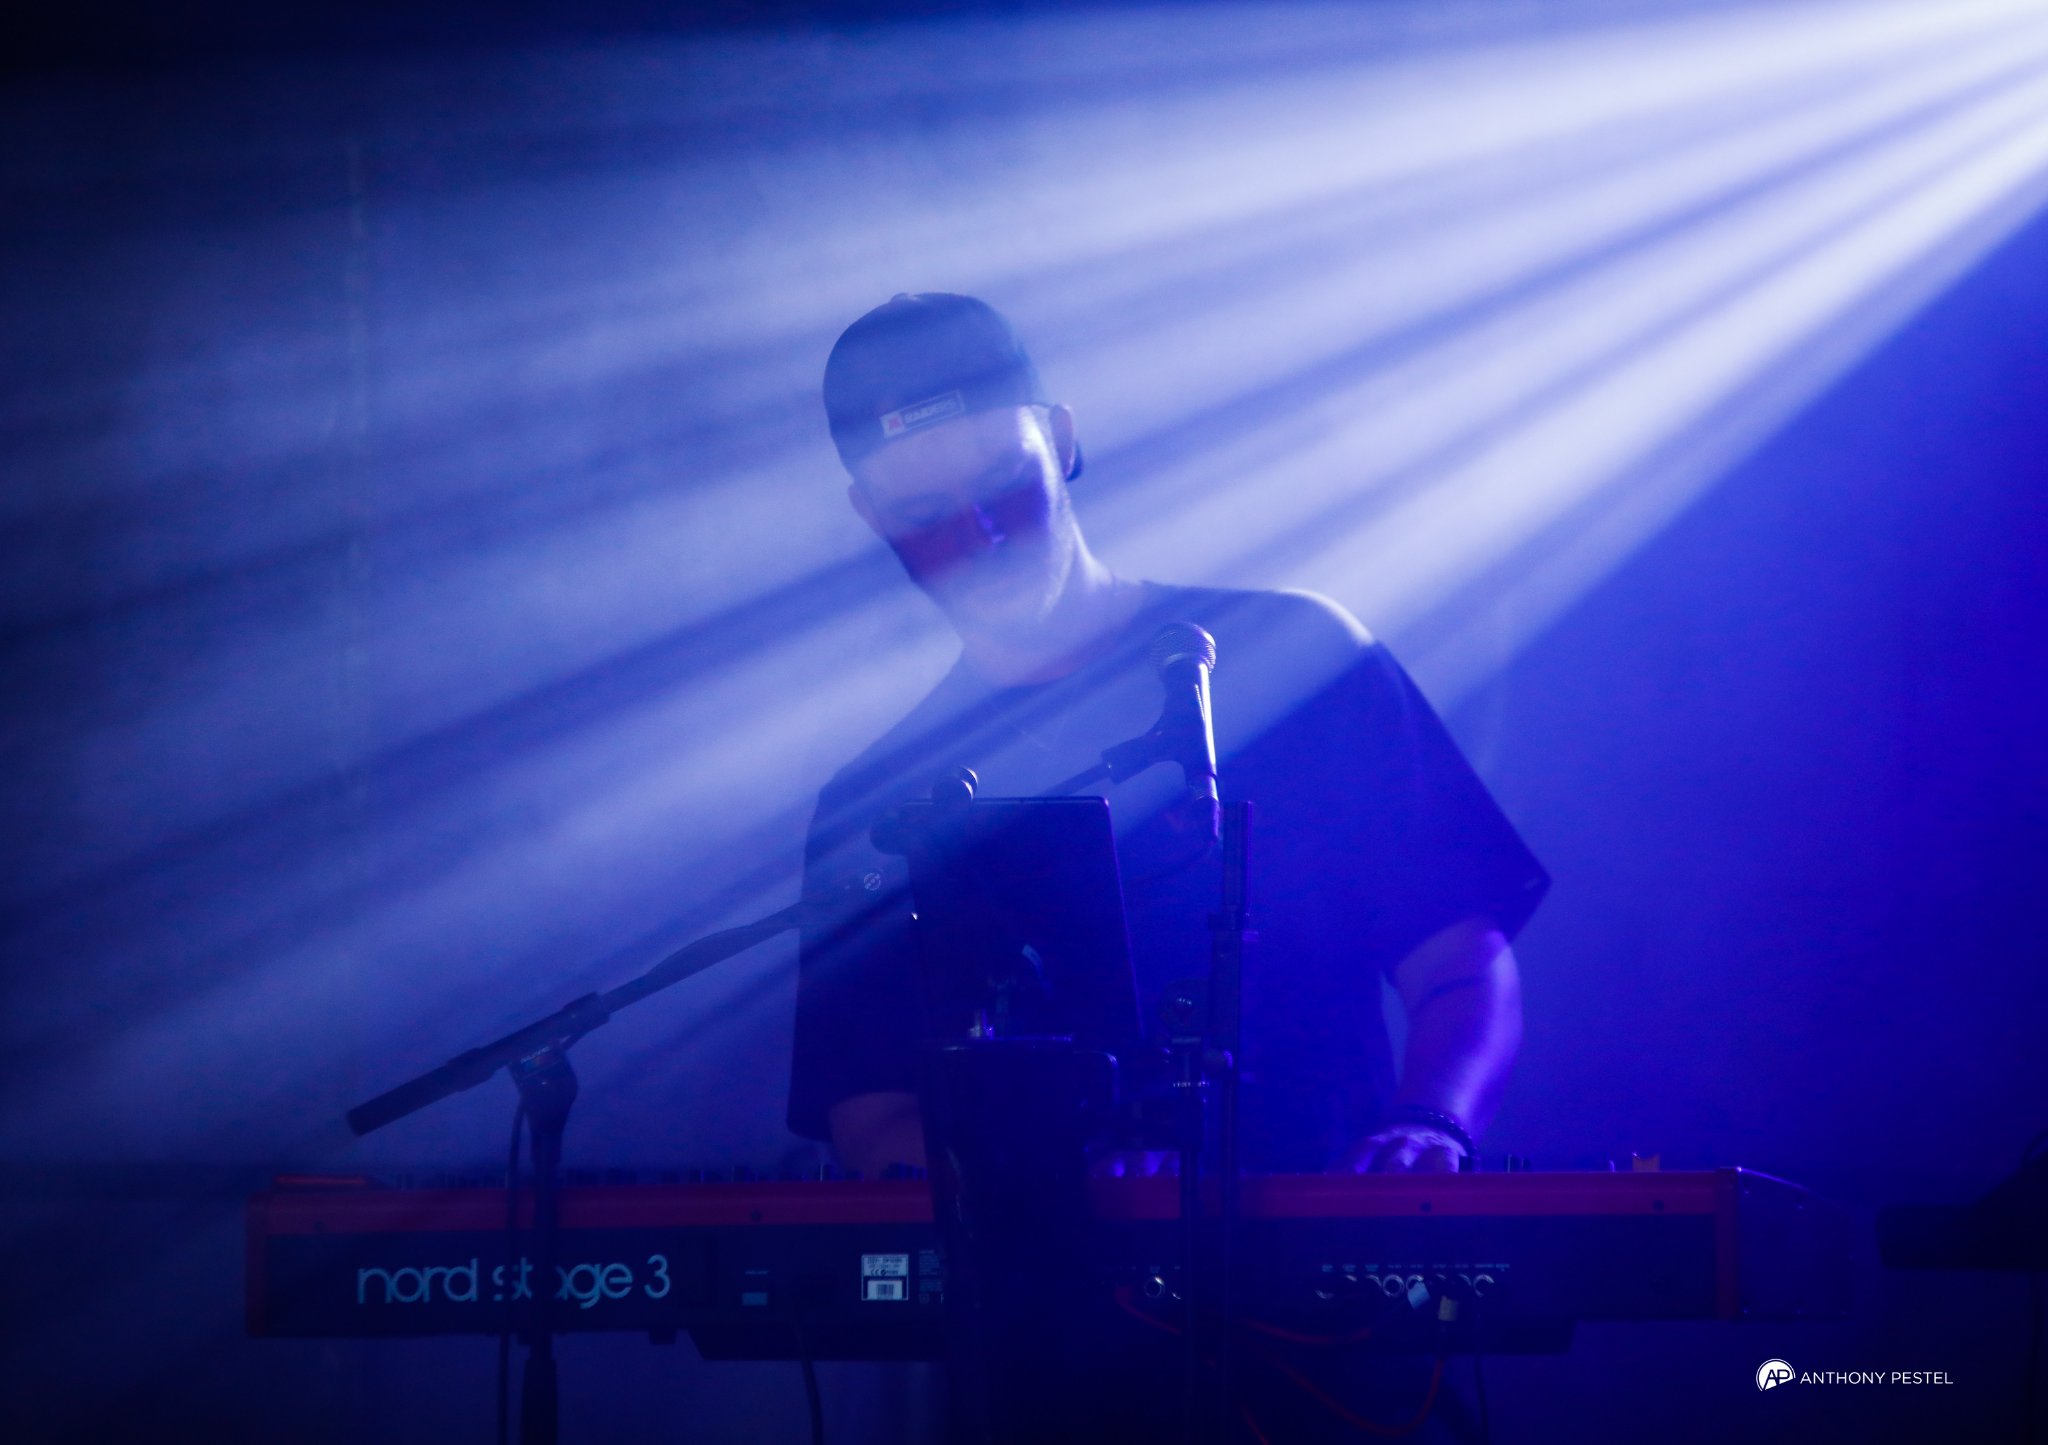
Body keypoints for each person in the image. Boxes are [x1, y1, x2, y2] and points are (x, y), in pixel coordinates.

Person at [788, 292, 1545, 1184]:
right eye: (923, 507)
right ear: (870, 515)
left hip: (1323, 1289)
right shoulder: (877, 802)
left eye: (999, 477)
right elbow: (874, 1114)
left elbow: (1458, 957)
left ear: (1063, 440)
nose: (977, 530)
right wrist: (1048, 1191)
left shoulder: (1300, 659)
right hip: (1052, 1315)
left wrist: (1432, 1125)